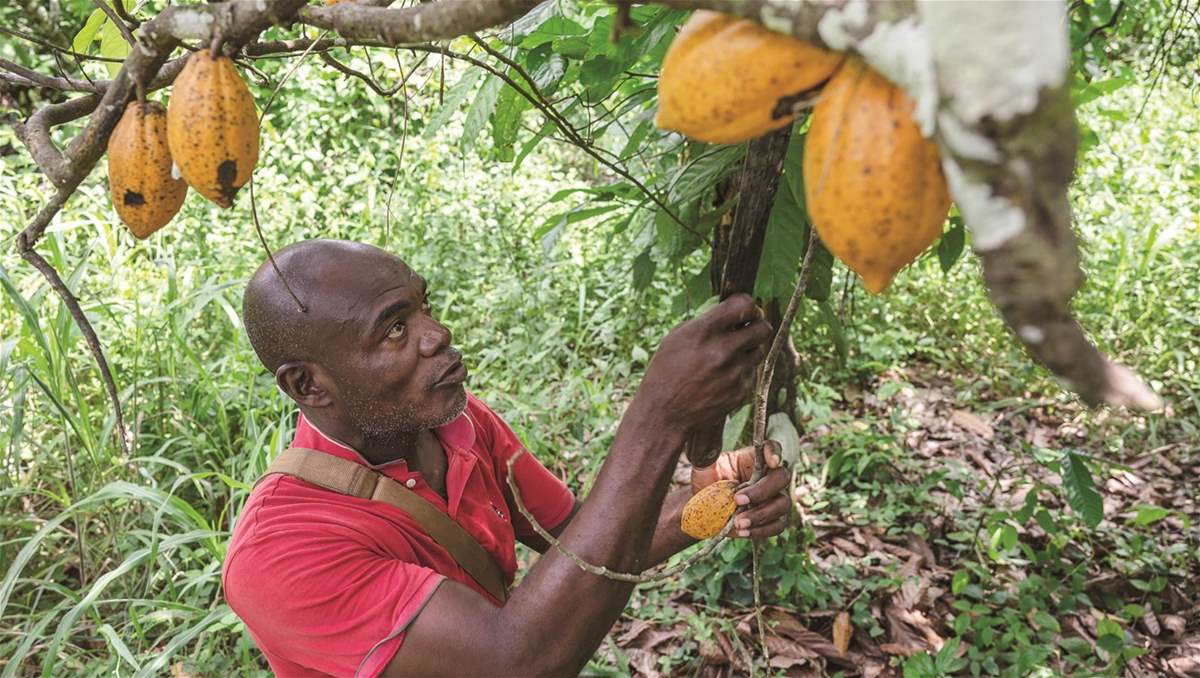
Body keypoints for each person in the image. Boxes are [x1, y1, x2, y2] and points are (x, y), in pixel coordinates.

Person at [223, 239, 794, 677]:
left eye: (425, 307)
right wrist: (656, 421)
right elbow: (516, 662)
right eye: (396, 329)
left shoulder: (460, 427)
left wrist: (718, 495)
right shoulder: (278, 554)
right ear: (307, 384)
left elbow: (578, 541)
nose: (438, 334)